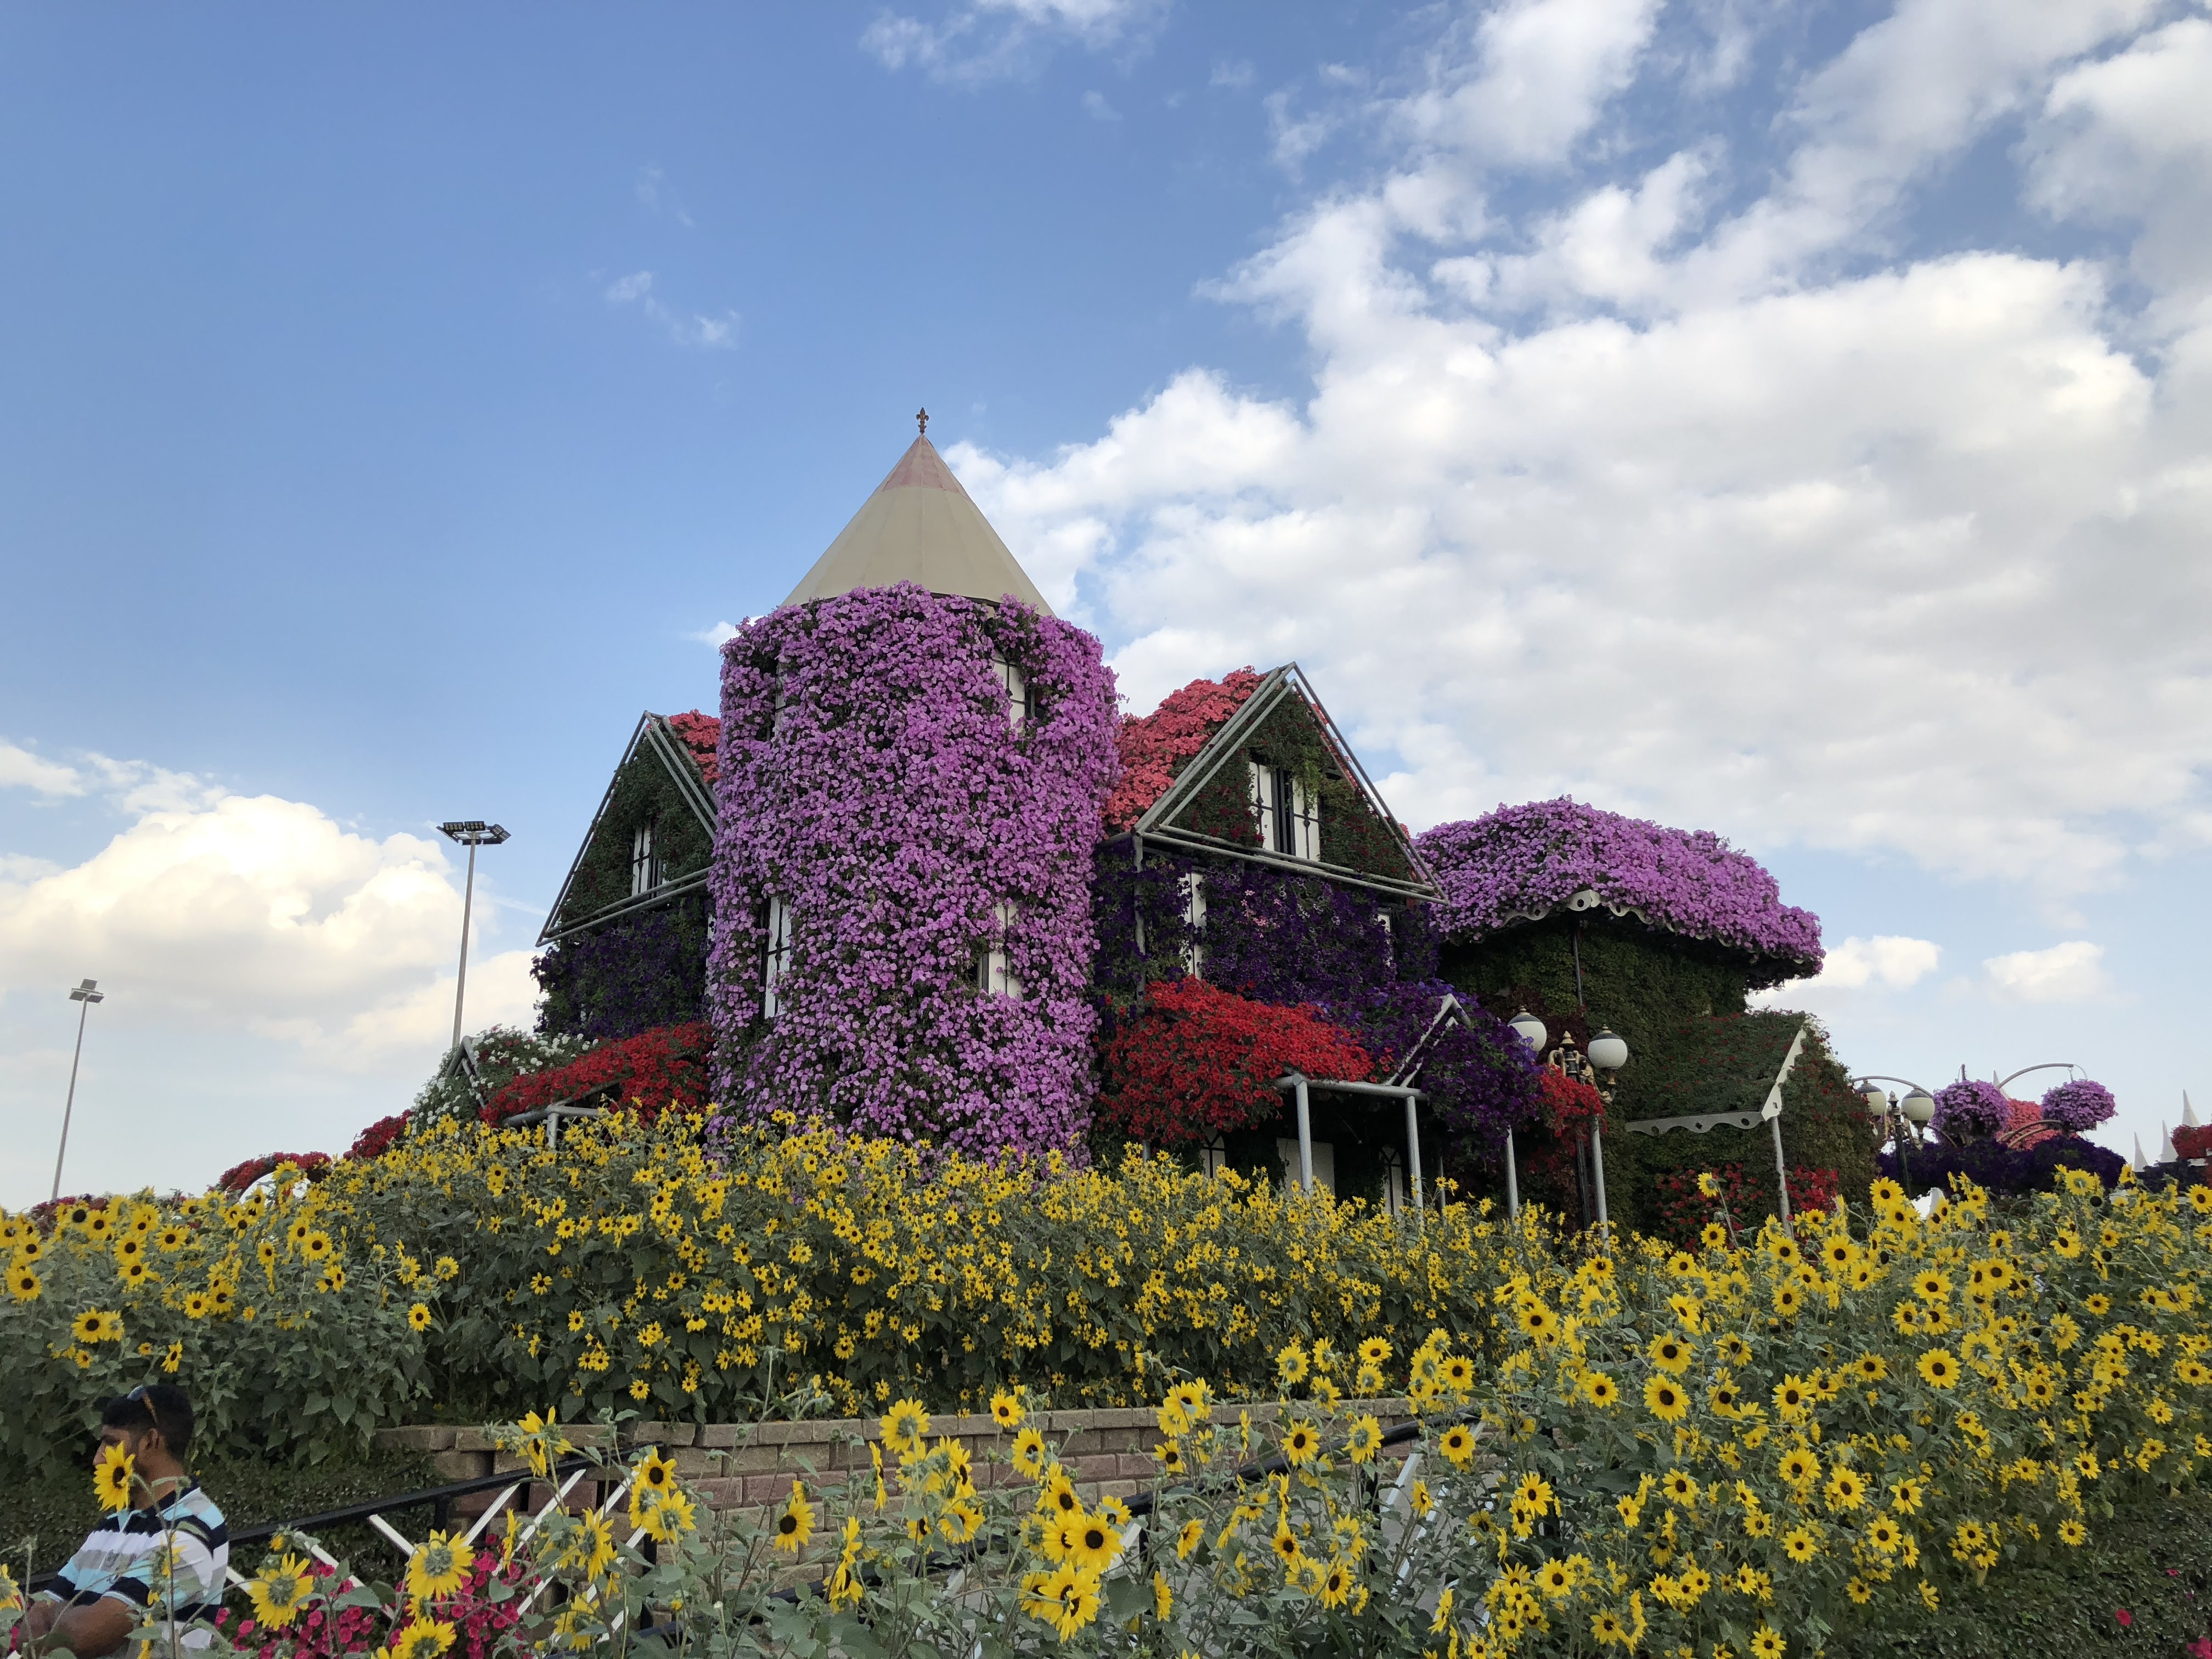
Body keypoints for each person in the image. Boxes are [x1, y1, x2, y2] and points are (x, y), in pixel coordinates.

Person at [24, 1385, 228, 1656]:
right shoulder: (110, 1526)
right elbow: (28, 1631)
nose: (98, 1459)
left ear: (150, 1441)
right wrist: (72, 1618)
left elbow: (89, 1636)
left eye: (110, 1443)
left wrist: (59, 1613)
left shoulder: (191, 1529)